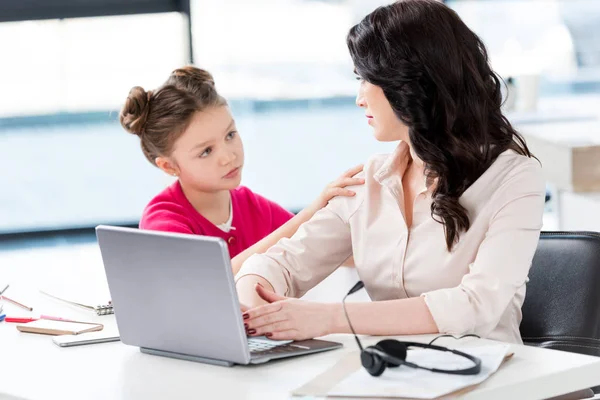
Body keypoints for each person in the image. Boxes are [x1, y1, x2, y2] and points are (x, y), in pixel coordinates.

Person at [237, 0, 546, 344]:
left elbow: (476, 304)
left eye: (366, 79)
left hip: (492, 379)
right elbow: (279, 264)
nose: (359, 98)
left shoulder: (515, 178)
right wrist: (255, 305)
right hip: (389, 376)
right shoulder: (371, 179)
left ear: (409, 85)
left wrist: (328, 318)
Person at [119, 66, 363, 274]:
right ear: (169, 166)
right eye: (206, 151)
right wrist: (311, 210)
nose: (229, 156)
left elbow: (330, 251)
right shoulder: (163, 221)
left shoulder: (251, 206)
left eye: (230, 135)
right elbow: (213, 280)